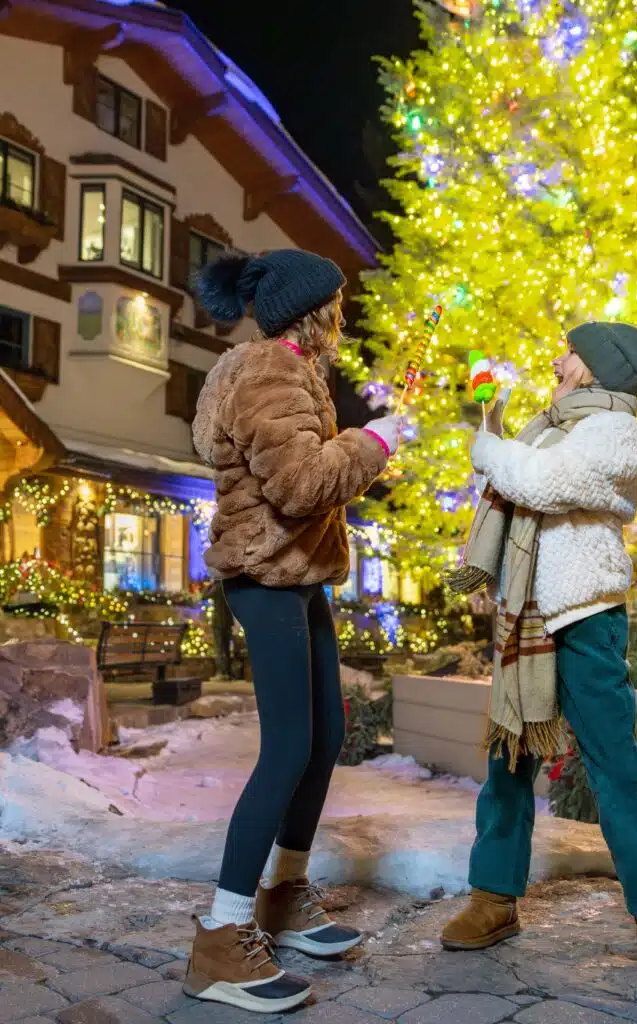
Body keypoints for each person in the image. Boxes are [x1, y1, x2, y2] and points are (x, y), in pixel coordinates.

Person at [442, 321, 637, 985]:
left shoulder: (616, 429)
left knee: (616, 766)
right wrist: (499, 439)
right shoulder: (548, 421)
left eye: (569, 352)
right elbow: (516, 493)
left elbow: (549, 483)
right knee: (509, 761)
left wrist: (490, 449)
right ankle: (493, 898)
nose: (557, 361)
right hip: (526, 615)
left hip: (586, 617)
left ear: (592, 366)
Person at [185, 249, 404, 1013]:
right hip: (265, 576)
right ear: (311, 313)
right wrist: (373, 444)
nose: (343, 320)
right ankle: (220, 938)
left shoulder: (287, 370)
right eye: (336, 307)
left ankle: (283, 893)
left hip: (297, 575)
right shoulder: (272, 372)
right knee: (286, 750)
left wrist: (365, 446)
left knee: (323, 735)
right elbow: (301, 483)